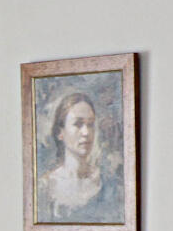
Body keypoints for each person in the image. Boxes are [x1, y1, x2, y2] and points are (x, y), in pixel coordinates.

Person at [38, 90, 118, 222]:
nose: (86, 132)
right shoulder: (45, 187)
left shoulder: (108, 184)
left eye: (90, 124)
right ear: (60, 132)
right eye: (78, 124)